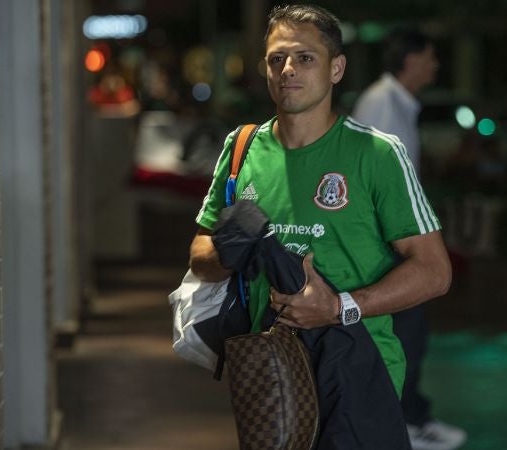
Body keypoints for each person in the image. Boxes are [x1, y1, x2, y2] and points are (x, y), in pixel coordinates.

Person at [189, 5, 451, 449]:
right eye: (276, 59)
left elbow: (434, 271)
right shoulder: (242, 149)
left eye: (305, 58)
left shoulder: (377, 154)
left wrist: (339, 306)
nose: (287, 69)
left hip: (360, 372)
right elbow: (200, 256)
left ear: (336, 68)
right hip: (269, 373)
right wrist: (237, 241)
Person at [353, 30, 467, 450]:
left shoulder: (394, 101)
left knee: (405, 332)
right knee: (406, 332)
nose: (435, 65)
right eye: (431, 57)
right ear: (412, 59)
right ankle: (405, 422)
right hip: (391, 243)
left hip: (396, 240)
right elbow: (376, 182)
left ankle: (406, 418)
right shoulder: (383, 102)